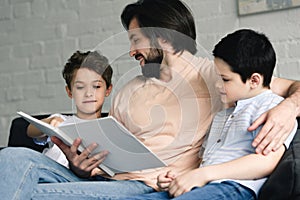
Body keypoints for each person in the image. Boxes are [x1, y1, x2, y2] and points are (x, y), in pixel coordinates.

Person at [0, 0, 299, 199]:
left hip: (146, 187)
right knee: (12, 158)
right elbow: (108, 154)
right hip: (108, 182)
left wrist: (289, 107)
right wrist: (83, 166)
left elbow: (285, 86)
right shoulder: (131, 90)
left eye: (135, 40)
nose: (131, 51)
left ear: (163, 39)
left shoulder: (216, 77)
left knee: (37, 195)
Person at [123, 29, 298, 200]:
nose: (217, 85)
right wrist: (179, 178)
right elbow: (207, 162)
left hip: (234, 187)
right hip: (204, 185)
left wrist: (203, 174)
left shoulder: (272, 108)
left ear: (254, 80)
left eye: (225, 79)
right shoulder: (222, 115)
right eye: (217, 77)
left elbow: (265, 162)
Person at [27, 50, 113, 169]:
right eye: (80, 87)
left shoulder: (111, 129)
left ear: (108, 90)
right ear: (70, 92)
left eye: (96, 86)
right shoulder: (62, 121)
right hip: (46, 174)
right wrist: (50, 123)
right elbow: (31, 130)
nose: (88, 93)